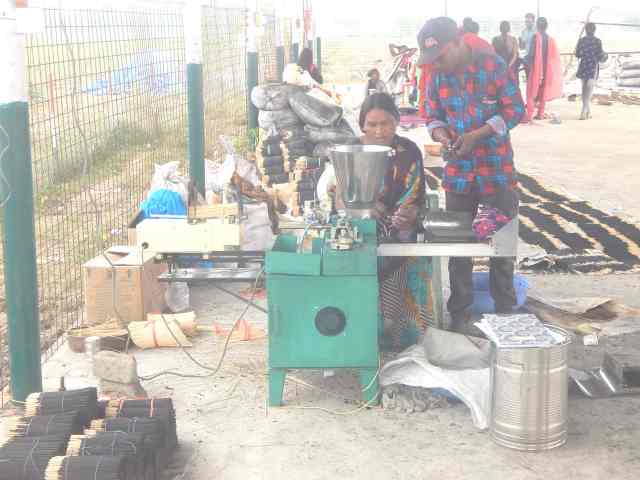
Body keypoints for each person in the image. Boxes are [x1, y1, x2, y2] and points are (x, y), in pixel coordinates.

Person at [418, 16, 525, 332]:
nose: (436, 65)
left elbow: (515, 110)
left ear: (457, 42)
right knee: (458, 249)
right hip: (459, 177)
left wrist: (478, 135)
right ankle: (460, 315)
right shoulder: (437, 77)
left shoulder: (492, 66)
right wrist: (443, 137)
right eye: (431, 61)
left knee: (501, 247)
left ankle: (506, 315)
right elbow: (432, 116)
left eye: (440, 57)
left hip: (496, 174)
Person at [317, 93, 429, 349]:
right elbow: (339, 198)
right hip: (356, 224)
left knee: (398, 243)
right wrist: (366, 206)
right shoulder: (350, 151)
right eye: (373, 124)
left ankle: (389, 326)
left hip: (395, 225)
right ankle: (353, 329)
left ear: (397, 121)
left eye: (386, 123)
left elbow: (415, 196)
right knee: (355, 247)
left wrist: (407, 214)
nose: (379, 131)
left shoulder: (408, 152)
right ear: (362, 125)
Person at [524, 17, 563, 120]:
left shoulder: (535, 37)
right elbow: (554, 57)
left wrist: (524, 61)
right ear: (546, 26)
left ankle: (529, 115)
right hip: (547, 70)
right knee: (543, 92)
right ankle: (540, 114)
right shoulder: (550, 39)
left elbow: (531, 54)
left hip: (536, 69)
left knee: (531, 92)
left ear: (537, 25)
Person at [575, 22, 604, 120]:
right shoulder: (598, 41)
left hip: (583, 66)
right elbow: (601, 56)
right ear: (594, 30)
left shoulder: (581, 41)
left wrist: (584, 53)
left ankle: (587, 112)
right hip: (592, 67)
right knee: (589, 90)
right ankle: (584, 111)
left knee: (584, 89)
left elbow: (577, 54)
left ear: (586, 30)